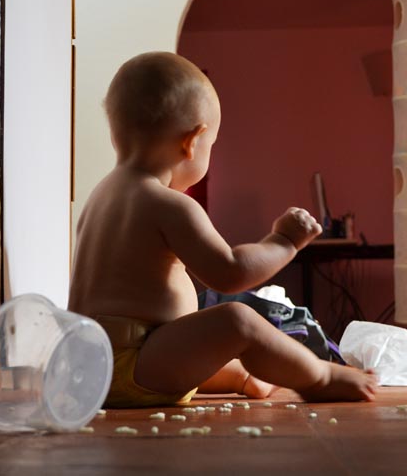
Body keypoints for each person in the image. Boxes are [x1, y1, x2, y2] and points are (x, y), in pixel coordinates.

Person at [68, 51, 377, 408]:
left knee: (203, 341)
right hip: (133, 366)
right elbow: (230, 272)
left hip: (87, 369)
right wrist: (284, 242)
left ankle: (245, 377)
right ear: (192, 142)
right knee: (237, 322)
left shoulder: (100, 196)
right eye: (210, 145)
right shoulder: (168, 204)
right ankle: (321, 377)